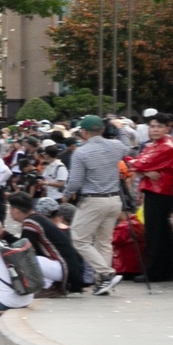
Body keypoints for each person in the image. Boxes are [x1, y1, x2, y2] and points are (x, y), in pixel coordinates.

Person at [62, 114, 130, 296]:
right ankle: (103, 283)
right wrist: (120, 128)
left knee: (79, 239)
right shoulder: (116, 146)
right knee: (103, 242)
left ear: (84, 132)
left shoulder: (81, 152)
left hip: (93, 200)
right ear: (102, 129)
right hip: (114, 199)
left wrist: (66, 196)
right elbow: (129, 148)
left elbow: (75, 181)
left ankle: (106, 274)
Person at [132, 114, 173, 284]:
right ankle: (165, 270)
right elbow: (139, 163)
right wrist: (144, 170)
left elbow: (137, 163)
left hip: (159, 192)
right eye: (152, 126)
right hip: (155, 191)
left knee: (154, 234)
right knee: (161, 233)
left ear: (167, 128)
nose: (155, 130)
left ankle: (153, 272)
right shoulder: (152, 146)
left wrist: (142, 168)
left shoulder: (165, 147)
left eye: (159, 126)